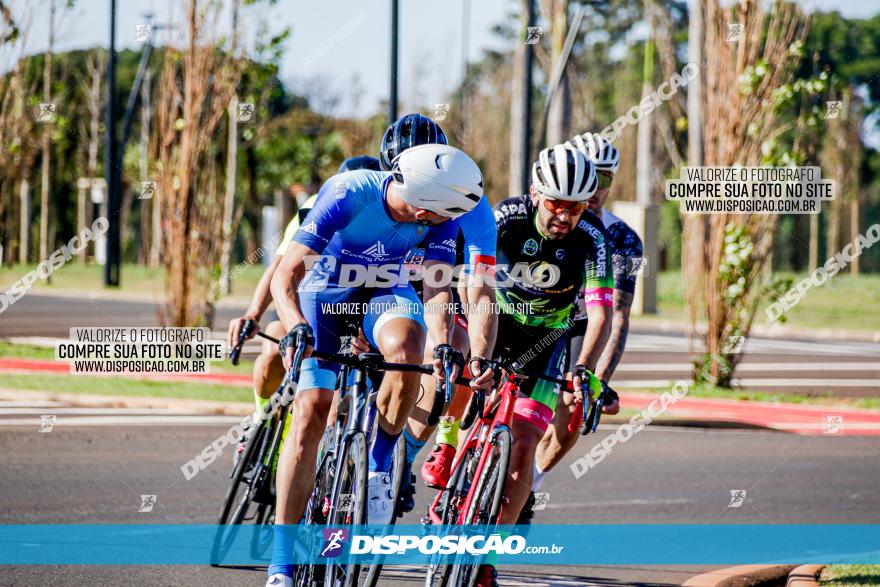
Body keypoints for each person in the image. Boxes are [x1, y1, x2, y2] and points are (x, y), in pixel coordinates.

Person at [265, 144, 485, 587]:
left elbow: (438, 289)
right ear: (427, 205)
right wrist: (294, 325)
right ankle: (282, 562)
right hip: (324, 295)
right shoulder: (348, 193)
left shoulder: (440, 218)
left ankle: (379, 464)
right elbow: (285, 274)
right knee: (310, 414)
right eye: (445, 215)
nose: (450, 224)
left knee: (410, 346)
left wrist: (442, 342)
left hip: (386, 292)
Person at [474, 144, 615, 587]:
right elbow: (476, 283)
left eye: (575, 207)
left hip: (547, 338)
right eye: (556, 203)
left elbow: (601, 313)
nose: (564, 215)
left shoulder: (593, 238)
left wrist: (585, 367)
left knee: (524, 444)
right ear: (536, 193)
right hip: (497, 322)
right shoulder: (507, 218)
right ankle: (450, 443)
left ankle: (487, 559)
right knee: (467, 381)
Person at [226, 156, 381, 455]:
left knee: (333, 401)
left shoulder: (384, 219)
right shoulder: (319, 204)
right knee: (273, 349)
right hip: (305, 295)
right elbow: (281, 266)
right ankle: (260, 417)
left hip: (351, 306)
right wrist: (253, 314)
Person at [531, 132, 639, 483]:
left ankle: (530, 482)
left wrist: (599, 379)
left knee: (574, 405)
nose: (592, 187)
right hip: (532, 316)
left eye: (602, 178)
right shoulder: (540, 213)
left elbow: (618, 316)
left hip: (580, 324)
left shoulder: (625, 240)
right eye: (586, 172)